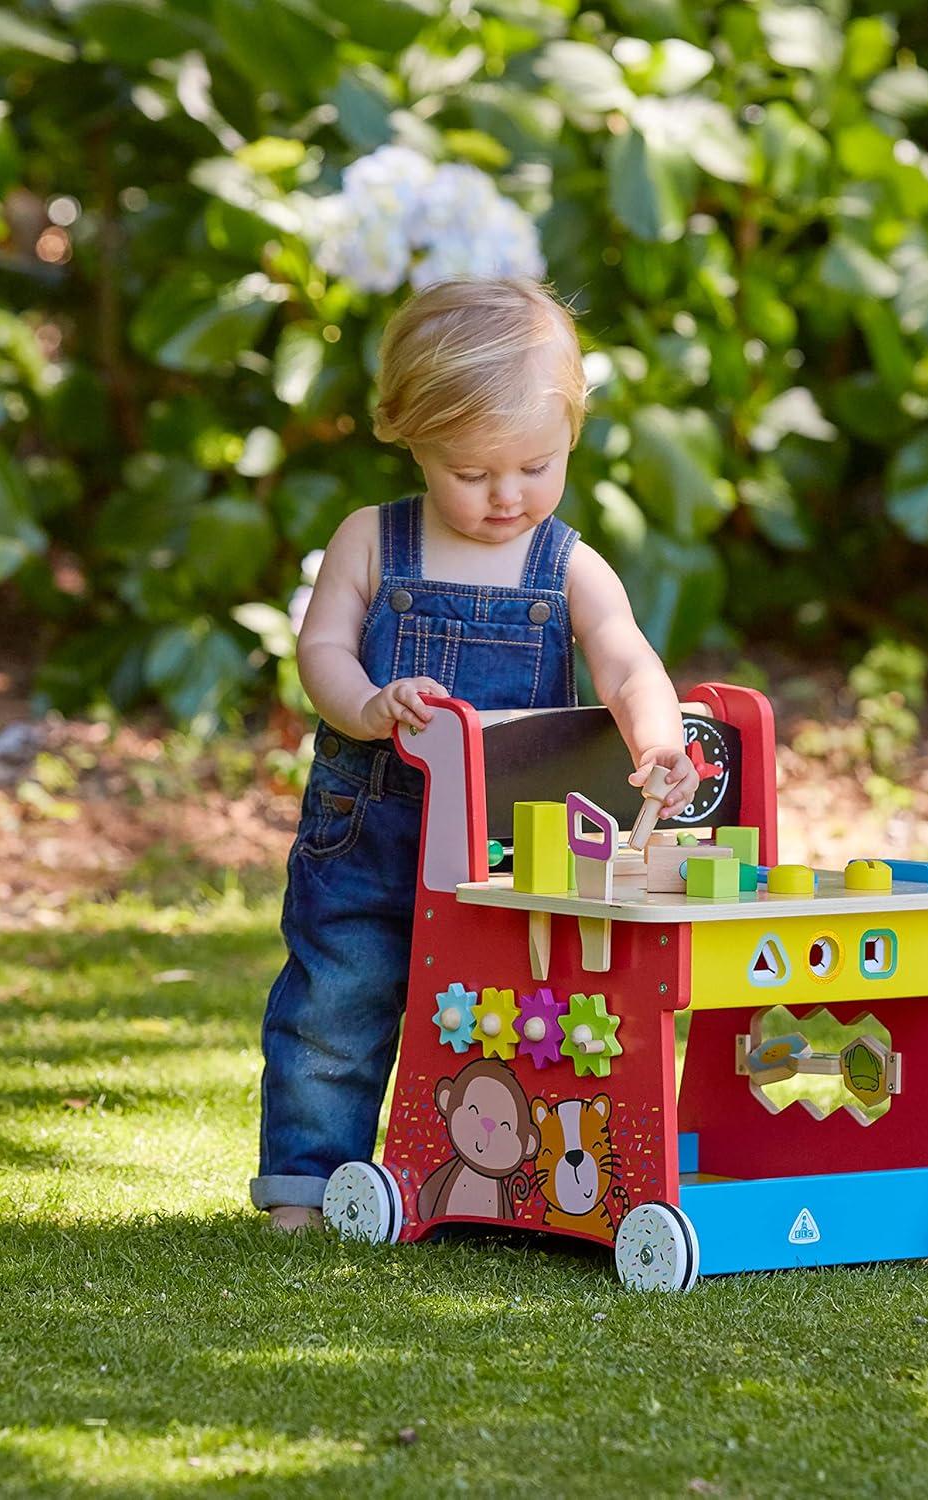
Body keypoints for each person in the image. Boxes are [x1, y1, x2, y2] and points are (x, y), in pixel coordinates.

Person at [252, 277, 700, 1230]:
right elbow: (319, 652)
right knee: (338, 995)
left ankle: (502, 1176)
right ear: (409, 435)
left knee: (514, 1009)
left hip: (512, 846)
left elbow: (625, 660)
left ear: (572, 435)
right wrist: (368, 705)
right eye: (471, 472)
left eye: (535, 466)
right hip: (372, 822)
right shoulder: (371, 542)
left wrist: (658, 736)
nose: (506, 496)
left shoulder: (569, 564)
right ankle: (304, 1184)